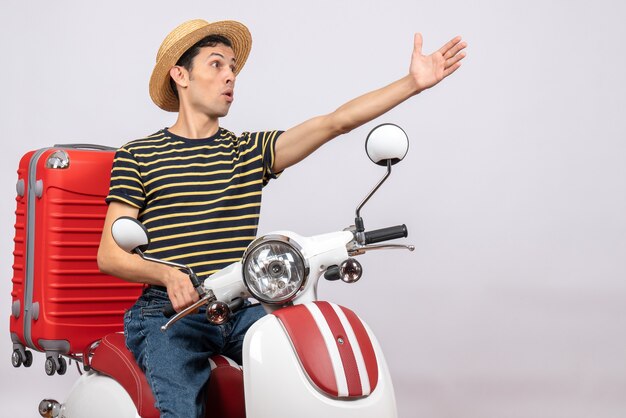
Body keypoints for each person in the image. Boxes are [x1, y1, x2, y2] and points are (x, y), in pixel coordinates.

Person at [97, 18, 466, 418]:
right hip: (170, 314)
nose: (230, 77)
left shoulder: (248, 152)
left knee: (303, 374)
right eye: (217, 65)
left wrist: (411, 83)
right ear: (180, 75)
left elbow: (334, 123)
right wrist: (168, 275)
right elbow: (110, 256)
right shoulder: (139, 155)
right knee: (181, 410)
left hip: (240, 305)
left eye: (234, 68)